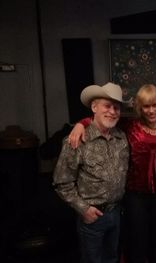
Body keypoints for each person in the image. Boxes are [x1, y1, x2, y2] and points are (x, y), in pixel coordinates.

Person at [69, 84, 156, 263]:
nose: (151, 111)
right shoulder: (129, 126)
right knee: (136, 243)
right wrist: (81, 123)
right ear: (139, 108)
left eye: (155, 105)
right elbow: (101, 120)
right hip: (135, 196)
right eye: (146, 106)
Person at [53, 82, 130, 263]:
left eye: (116, 108)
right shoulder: (77, 139)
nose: (112, 111)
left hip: (117, 213)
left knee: (112, 258)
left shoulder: (122, 137)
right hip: (93, 215)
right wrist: (84, 209)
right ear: (94, 107)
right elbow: (61, 182)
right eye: (107, 106)